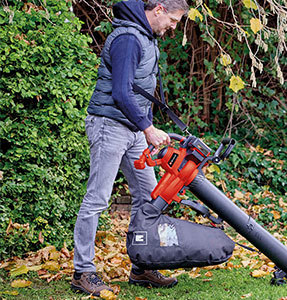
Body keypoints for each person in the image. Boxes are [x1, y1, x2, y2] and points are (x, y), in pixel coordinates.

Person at [71, 0, 189, 296]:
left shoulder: (145, 37)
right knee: (97, 198)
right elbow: (122, 92)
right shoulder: (128, 38)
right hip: (109, 125)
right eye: (173, 20)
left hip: (133, 129)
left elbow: (139, 92)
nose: (174, 27)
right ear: (159, 9)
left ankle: (141, 266)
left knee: (149, 198)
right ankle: (82, 271)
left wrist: (146, 124)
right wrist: (148, 128)